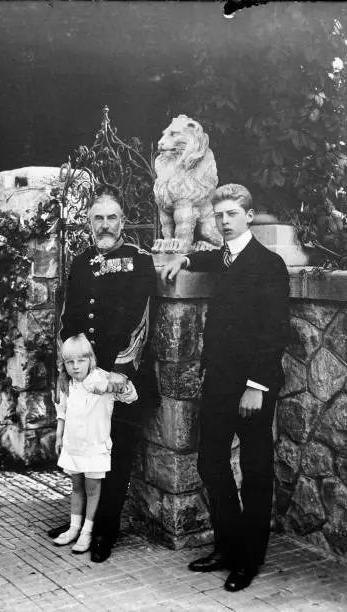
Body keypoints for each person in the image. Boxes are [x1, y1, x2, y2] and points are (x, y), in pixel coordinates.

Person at [161, 184, 289, 592]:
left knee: (254, 473)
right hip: (218, 382)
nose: (224, 221)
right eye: (219, 216)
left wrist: (256, 386)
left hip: (253, 386)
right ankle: (228, 545)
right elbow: (208, 256)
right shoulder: (224, 257)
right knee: (210, 463)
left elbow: (274, 333)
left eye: (232, 214)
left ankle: (248, 560)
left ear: (249, 216)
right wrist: (183, 256)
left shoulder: (268, 264)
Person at [48, 185, 157, 563]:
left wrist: (120, 373)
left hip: (120, 379)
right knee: (84, 451)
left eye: (112, 218)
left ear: (123, 222)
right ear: (90, 223)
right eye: (98, 218)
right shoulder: (80, 262)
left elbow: (142, 320)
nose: (105, 225)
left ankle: (105, 531)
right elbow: (68, 319)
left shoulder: (139, 260)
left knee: (116, 455)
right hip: (85, 381)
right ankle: (80, 522)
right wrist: (68, 367)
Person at [53, 334, 138, 554]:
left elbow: (131, 397)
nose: (75, 367)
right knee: (76, 487)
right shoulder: (68, 382)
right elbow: (62, 409)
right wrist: (59, 435)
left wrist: (120, 385)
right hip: (74, 445)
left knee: (92, 490)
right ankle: (74, 528)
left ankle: (87, 532)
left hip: (94, 446)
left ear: (91, 359)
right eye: (70, 362)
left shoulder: (102, 379)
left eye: (81, 360)